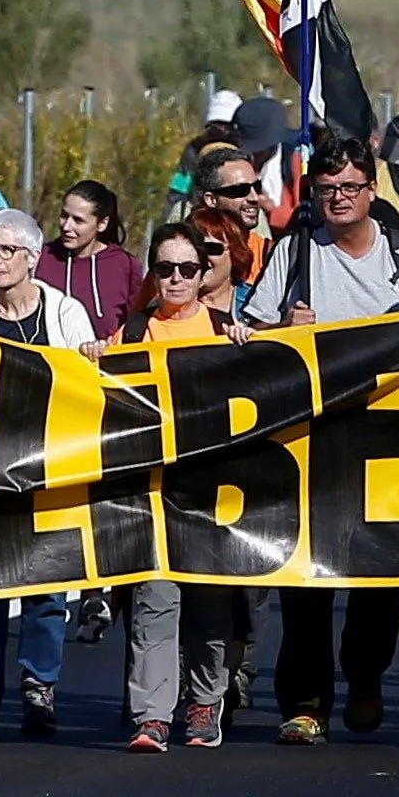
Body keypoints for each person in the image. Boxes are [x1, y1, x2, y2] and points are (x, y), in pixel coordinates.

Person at [248, 136, 399, 744]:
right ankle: (304, 702)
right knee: (305, 578)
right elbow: (252, 340)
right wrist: (284, 328)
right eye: (326, 190)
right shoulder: (294, 252)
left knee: (379, 579)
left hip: (386, 443)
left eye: (350, 188)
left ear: (371, 192)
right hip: (307, 441)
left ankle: (366, 677)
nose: (338, 199)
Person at [0, 207, 99, 734]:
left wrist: (93, 355)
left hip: (54, 465)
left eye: (5, 250)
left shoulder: (66, 312)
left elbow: (87, 381)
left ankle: (39, 685)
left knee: (48, 581)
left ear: (31, 257)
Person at [109, 221, 254, 752]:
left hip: (213, 492)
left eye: (186, 269)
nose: (175, 279)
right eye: (165, 269)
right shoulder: (130, 334)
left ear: (202, 276)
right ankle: (152, 715)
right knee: (153, 599)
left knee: (210, 603)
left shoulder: (223, 329)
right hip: (151, 492)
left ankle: (205, 701)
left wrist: (248, 347)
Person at [36, 180, 138, 343]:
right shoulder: (41, 258)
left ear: (102, 223)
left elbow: (135, 323)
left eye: (78, 220)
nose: (67, 226)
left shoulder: (125, 265)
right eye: (64, 216)